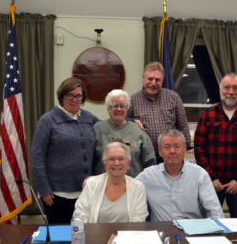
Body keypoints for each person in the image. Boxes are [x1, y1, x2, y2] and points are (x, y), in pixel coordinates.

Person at [194, 73, 237, 218]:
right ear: (220, 90)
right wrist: (211, 178)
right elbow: (199, 149)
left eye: (235, 88)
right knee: (207, 227)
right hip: (211, 184)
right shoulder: (207, 115)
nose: (231, 91)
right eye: (227, 87)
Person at [31, 77, 99, 224]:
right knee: (59, 236)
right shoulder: (48, 120)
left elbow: (109, 126)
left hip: (85, 193)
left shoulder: (88, 118)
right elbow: (37, 157)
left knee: (84, 235)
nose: (74, 99)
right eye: (70, 95)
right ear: (62, 96)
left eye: (78, 96)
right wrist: (44, 189)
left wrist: (131, 121)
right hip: (56, 195)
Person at [136, 129, 224, 221]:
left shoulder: (199, 175)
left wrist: (219, 231)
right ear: (160, 151)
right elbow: (127, 187)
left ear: (185, 150)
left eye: (177, 146)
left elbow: (214, 210)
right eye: (167, 147)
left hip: (193, 230)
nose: (172, 151)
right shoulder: (148, 176)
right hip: (161, 231)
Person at [127, 62, 190, 163]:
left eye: (157, 80)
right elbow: (124, 124)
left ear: (162, 81)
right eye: (150, 79)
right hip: (143, 158)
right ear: (143, 78)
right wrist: (133, 121)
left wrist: (183, 150)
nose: (153, 83)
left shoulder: (173, 98)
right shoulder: (132, 101)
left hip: (170, 157)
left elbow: (183, 127)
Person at [73, 142, 148, 223]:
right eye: (112, 159)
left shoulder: (138, 187)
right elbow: (80, 215)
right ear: (105, 163)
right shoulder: (92, 184)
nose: (116, 163)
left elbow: (139, 220)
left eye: (121, 158)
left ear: (128, 163)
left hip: (126, 235)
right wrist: (84, 234)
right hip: (95, 235)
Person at [93, 89, 156, 177]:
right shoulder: (97, 128)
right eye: (115, 106)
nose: (119, 109)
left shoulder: (138, 130)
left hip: (133, 185)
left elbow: (150, 162)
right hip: (102, 186)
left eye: (122, 106)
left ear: (127, 108)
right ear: (108, 108)